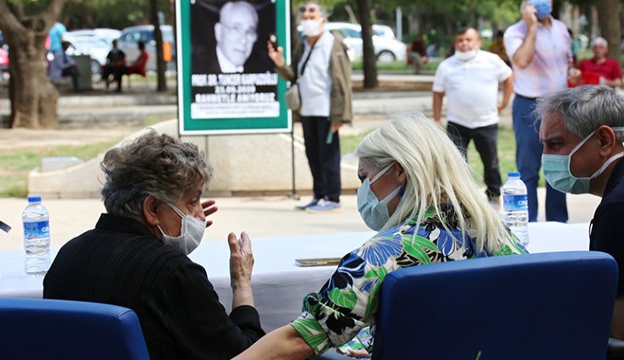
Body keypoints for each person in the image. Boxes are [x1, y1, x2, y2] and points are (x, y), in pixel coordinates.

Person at [233, 111, 527, 359]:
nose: (363, 189)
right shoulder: (499, 236)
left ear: (399, 171)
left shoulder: (380, 256)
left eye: (365, 177)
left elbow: (298, 340)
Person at [43, 131, 265, 359]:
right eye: (192, 201)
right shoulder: (174, 273)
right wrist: (242, 284)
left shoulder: (68, 254)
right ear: (151, 209)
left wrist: (174, 227)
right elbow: (245, 354)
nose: (199, 215)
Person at [536, 85, 624, 339]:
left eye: (556, 144)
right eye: (543, 145)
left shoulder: (617, 209)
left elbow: (617, 332)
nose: (546, 157)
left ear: (605, 141)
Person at [268, 1, 352, 213]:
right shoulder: (303, 44)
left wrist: (340, 116)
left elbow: (342, 81)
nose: (307, 19)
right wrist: (279, 62)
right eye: (304, 16)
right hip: (307, 110)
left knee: (328, 156)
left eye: (312, 15)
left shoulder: (333, 43)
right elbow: (295, 75)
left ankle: (333, 198)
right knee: (313, 155)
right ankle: (319, 195)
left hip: (327, 111)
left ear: (322, 20)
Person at [504, 0, 574, 222]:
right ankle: (529, 222)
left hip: (558, 105)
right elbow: (522, 60)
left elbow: (567, 62)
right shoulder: (515, 32)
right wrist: (532, 27)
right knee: (528, 169)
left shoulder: (561, 29)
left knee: (560, 166)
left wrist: (571, 74)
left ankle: (558, 222)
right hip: (529, 105)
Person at [433, 27, 514, 205]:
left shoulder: (492, 60)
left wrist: (504, 102)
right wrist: (437, 118)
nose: (464, 43)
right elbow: (438, 93)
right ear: (455, 43)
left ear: (478, 42)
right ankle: (460, 200)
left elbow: (508, 77)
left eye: (469, 39)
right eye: (460, 40)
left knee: (491, 162)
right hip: (457, 123)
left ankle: (494, 196)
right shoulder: (446, 66)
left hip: (487, 121)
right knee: (456, 163)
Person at [192, 1, 259, 74]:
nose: (243, 40)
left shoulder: (262, 71)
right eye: (235, 29)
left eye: (250, 32)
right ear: (219, 32)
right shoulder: (194, 70)